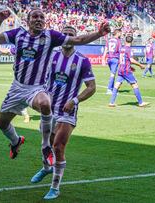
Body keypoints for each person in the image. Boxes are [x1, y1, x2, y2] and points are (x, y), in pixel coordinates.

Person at [0, 9, 110, 166]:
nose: (39, 19)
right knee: (1, 124)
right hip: (17, 88)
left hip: (36, 87)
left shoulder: (51, 36)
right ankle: (16, 141)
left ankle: (45, 147)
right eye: (35, 17)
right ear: (27, 20)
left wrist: (99, 33)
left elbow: (78, 40)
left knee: (45, 104)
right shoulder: (17, 34)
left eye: (42, 17)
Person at [30, 26, 96, 200]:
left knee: (58, 147)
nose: (67, 37)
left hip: (68, 110)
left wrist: (74, 100)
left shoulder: (82, 61)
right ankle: (46, 168)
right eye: (64, 34)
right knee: (48, 145)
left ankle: (55, 187)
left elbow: (92, 87)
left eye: (71, 35)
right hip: (49, 109)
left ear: (76, 38)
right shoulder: (51, 55)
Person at [108, 36, 150, 107]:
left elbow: (123, 59)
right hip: (126, 71)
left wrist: (130, 66)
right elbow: (131, 60)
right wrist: (140, 65)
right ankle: (141, 103)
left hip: (121, 69)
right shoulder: (129, 49)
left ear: (125, 41)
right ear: (132, 42)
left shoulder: (122, 49)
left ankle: (111, 102)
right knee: (135, 85)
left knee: (117, 85)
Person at [0, 44, 31, 123]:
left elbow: (4, 51)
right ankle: (26, 115)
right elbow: (5, 51)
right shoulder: (19, 47)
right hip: (20, 79)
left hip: (30, 80)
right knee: (22, 97)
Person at [102, 29, 122, 94]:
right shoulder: (118, 41)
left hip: (109, 59)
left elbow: (105, 50)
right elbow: (120, 51)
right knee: (113, 75)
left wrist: (103, 59)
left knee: (113, 74)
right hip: (115, 58)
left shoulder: (109, 40)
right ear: (117, 33)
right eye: (120, 33)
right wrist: (121, 60)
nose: (121, 34)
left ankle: (112, 89)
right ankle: (109, 89)